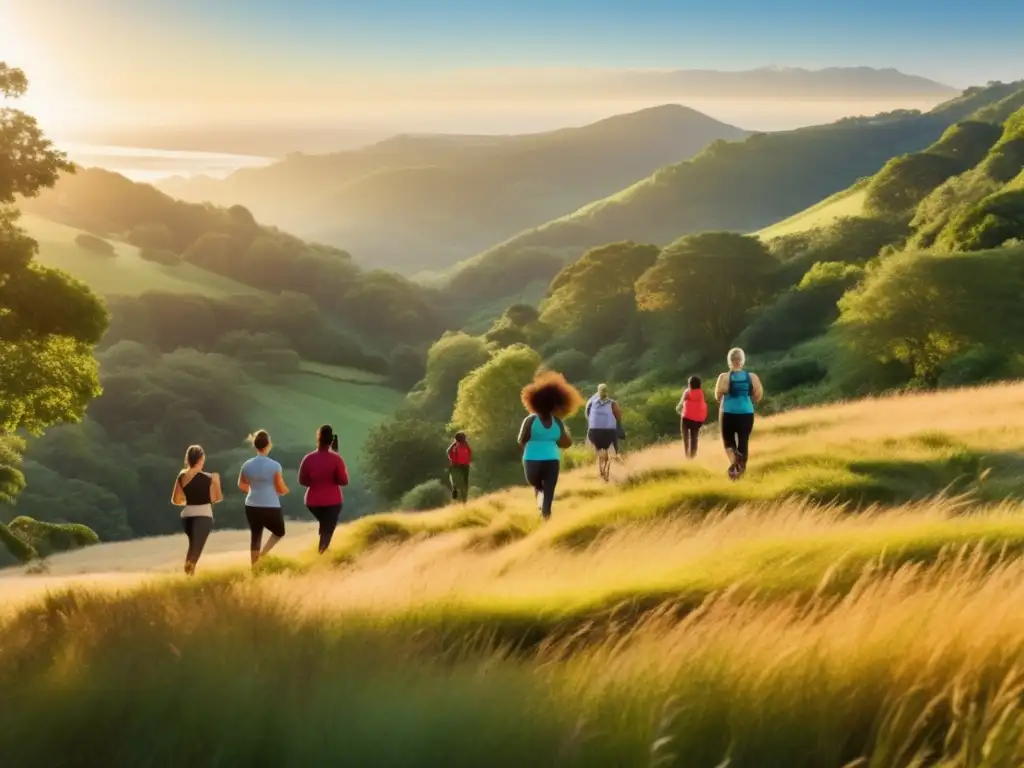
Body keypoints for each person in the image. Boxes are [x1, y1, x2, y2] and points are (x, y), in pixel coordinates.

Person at [518, 372, 583, 520]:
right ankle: (544, 510)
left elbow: (521, 440)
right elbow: (566, 443)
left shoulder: (543, 421)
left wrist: (527, 452)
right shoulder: (544, 421)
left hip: (540, 459)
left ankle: (545, 513)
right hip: (544, 459)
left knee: (543, 486)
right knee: (543, 487)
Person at [238, 429, 289, 567]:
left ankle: (254, 566)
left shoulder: (246, 465)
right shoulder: (275, 466)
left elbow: (241, 484)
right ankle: (263, 556)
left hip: (251, 504)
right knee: (279, 531)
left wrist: (255, 491)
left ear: (255, 446)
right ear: (268, 445)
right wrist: (285, 491)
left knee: (255, 535)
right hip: (270, 505)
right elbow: (280, 488)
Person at [170, 445, 223, 576]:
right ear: (201, 459)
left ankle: (189, 578)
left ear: (187, 459)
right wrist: (216, 482)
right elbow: (216, 499)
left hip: (187, 516)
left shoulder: (182, 475)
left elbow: (176, 500)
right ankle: (188, 578)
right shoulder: (209, 477)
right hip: (203, 516)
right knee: (195, 551)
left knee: (193, 547)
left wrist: (190, 501)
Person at [297, 424, 349, 554]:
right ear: (332, 441)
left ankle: (322, 552)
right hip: (333, 501)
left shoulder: (308, 458)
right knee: (328, 529)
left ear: (318, 439)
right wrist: (336, 455)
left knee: (325, 525)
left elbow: (302, 481)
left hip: (313, 502)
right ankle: (322, 555)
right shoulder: (336, 459)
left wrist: (316, 482)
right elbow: (343, 481)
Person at [715, 348, 764, 480]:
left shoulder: (723, 377)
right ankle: (740, 473)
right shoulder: (752, 377)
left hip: (728, 413)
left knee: (728, 442)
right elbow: (758, 395)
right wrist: (747, 402)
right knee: (744, 441)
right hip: (747, 413)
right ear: (742, 361)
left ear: (729, 361)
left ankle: (735, 463)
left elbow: (718, 395)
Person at [585, 383, 622, 481]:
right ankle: (617, 453)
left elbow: (587, 414)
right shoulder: (612, 402)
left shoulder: (591, 402)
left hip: (594, 432)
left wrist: (592, 422)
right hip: (608, 433)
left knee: (599, 449)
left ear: (598, 391)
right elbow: (618, 415)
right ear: (607, 392)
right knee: (615, 435)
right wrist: (617, 423)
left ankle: (601, 465)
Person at [676, 375, 708, 459]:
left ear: (689, 384)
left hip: (686, 418)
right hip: (697, 420)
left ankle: (687, 455)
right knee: (694, 438)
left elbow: (679, 405)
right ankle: (693, 456)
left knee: (685, 438)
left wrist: (679, 411)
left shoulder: (687, 392)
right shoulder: (701, 393)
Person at [446, 431, 472, 503]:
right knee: (465, 484)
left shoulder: (454, 446)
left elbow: (448, 452)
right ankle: (464, 500)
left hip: (455, 465)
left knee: (454, 480)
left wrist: (451, 459)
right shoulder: (465, 445)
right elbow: (470, 452)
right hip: (464, 466)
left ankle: (455, 488)